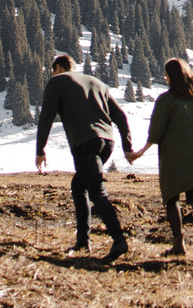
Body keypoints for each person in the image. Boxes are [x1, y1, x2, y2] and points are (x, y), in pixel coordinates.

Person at [34, 53, 133, 259]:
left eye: (53, 70)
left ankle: (119, 240)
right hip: (107, 142)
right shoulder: (96, 82)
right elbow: (120, 116)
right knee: (79, 186)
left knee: (97, 191)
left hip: (85, 142)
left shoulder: (57, 82)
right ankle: (82, 242)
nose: (52, 74)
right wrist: (127, 147)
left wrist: (40, 150)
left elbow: (46, 117)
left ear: (58, 68)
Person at [136, 57, 193, 260]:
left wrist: (141, 151)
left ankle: (178, 245)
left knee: (172, 198)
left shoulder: (166, 100)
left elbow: (156, 131)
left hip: (176, 157)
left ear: (168, 76)